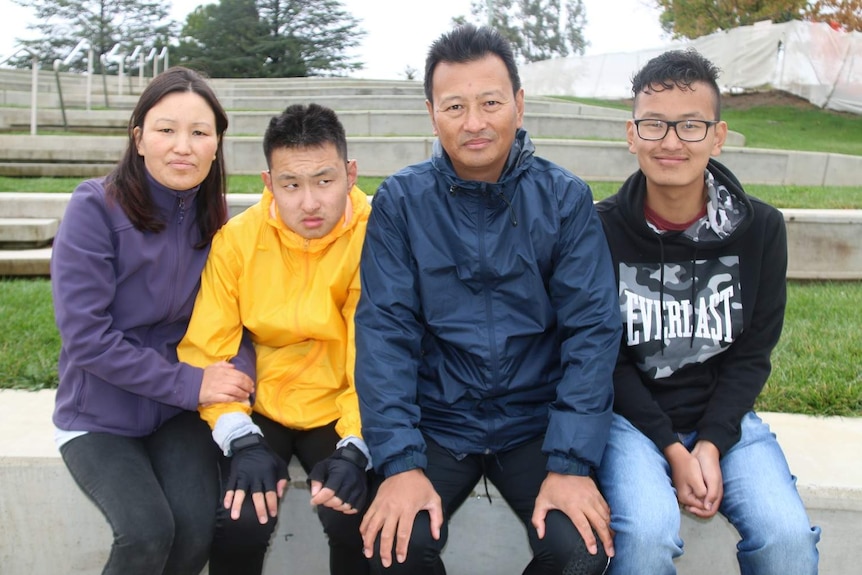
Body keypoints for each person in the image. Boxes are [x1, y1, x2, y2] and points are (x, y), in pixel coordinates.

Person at [354, 24, 621, 575]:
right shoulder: (401, 203)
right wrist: (400, 463)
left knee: (582, 553)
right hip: (439, 421)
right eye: (455, 106)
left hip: (535, 424)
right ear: (432, 114)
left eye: (491, 102)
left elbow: (592, 332)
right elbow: (386, 334)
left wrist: (570, 462)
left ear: (519, 106)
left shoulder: (564, 199)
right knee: (392, 552)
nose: (474, 123)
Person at [594, 49, 821, 574]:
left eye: (690, 125)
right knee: (646, 539)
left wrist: (714, 443)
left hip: (726, 420)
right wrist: (673, 450)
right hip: (630, 422)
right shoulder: (598, 230)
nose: (671, 141)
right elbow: (605, 358)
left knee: (787, 541)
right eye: (654, 125)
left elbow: (752, 355)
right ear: (632, 135)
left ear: (717, 137)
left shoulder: (762, 229)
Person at [51, 66, 256, 575]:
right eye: (166, 130)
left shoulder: (219, 225)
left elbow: (239, 321)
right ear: (139, 138)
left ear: (216, 146)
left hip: (175, 415)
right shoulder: (93, 208)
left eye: (199, 132)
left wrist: (233, 377)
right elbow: (87, 338)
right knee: (146, 533)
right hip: (98, 416)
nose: (182, 146)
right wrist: (192, 383)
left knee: (194, 529)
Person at [177, 103, 372, 575]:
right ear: (268, 183)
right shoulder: (237, 241)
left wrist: (358, 444)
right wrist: (239, 436)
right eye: (291, 184)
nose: (309, 202)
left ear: (349, 173)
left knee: (353, 518)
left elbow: (379, 355)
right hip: (262, 401)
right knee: (241, 516)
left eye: (324, 181)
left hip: (343, 403)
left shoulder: (378, 235)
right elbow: (209, 350)